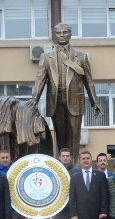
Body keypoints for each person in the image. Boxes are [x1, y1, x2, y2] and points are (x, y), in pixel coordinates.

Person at [30, 22, 103, 155]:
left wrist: (95, 102)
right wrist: (33, 102)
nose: (62, 35)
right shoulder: (46, 57)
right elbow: (39, 81)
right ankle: (62, 165)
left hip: (75, 100)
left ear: (70, 34)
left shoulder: (81, 56)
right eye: (58, 33)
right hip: (55, 101)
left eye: (65, 32)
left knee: (74, 136)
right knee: (60, 136)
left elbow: (89, 81)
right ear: (54, 35)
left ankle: (74, 166)